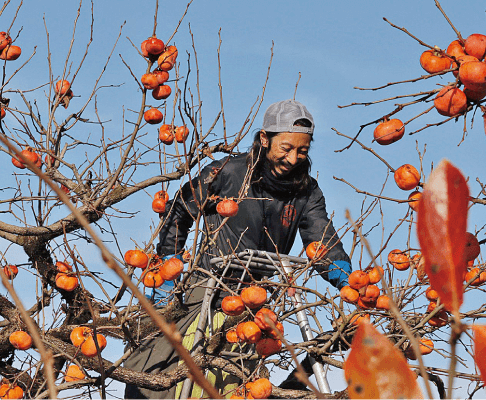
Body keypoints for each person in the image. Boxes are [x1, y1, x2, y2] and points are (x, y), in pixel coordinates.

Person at [124, 99, 352, 400]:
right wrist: (168, 267)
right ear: (264, 139)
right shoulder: (228, 172)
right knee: (168, 371)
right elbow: (179, 210)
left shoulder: (306, 191)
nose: (293, 158)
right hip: (206, 289)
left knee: (235, 384)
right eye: (285, 148)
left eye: (302, 151)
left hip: (254, 299)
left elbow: (321, 240)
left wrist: (347, 281)